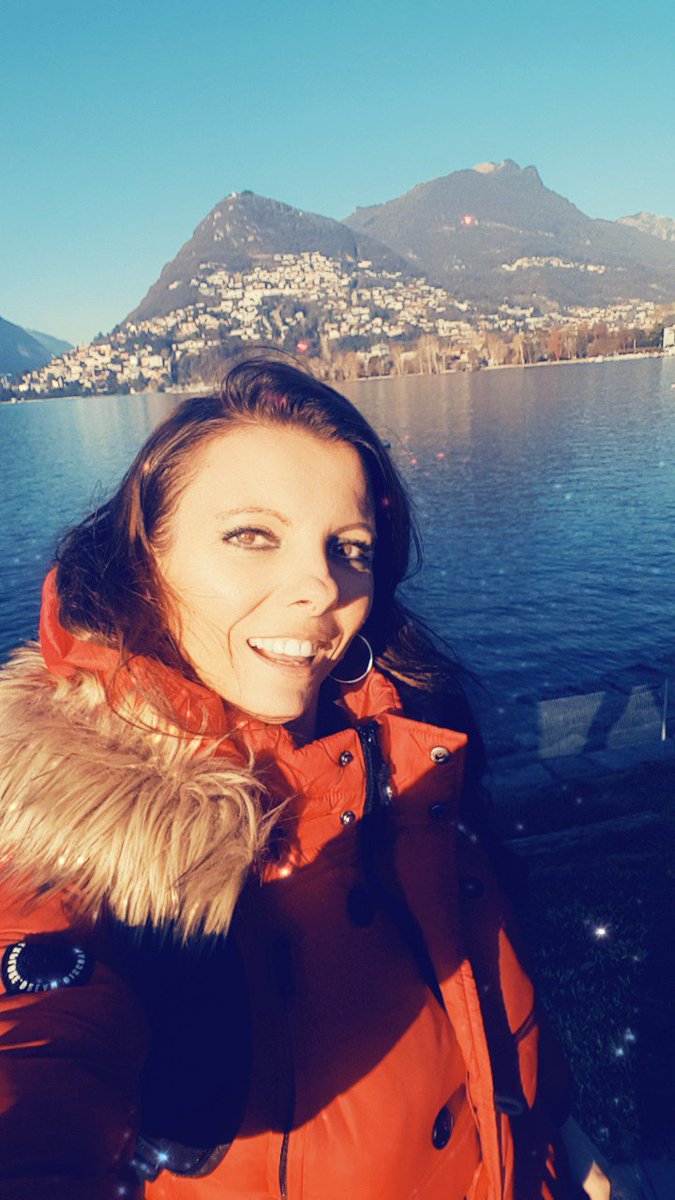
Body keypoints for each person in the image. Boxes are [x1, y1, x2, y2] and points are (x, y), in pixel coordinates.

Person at [0, 358, 609, 1199]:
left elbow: (483, 980)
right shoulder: (68, 826)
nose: (323, 586)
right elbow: (38, 1054)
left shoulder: (409, 738)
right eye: (252, 535)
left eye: (349, 548)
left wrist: (560, 1135)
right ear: (145, 559)